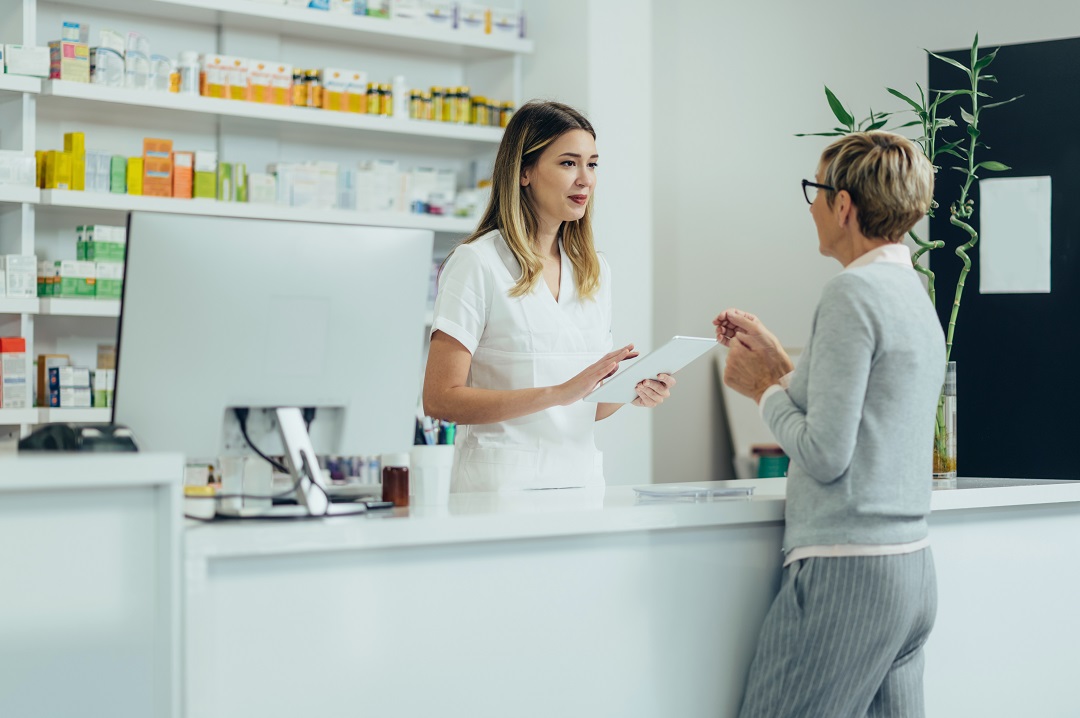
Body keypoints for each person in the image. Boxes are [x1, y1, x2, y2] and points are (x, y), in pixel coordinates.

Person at [717, 131, 945, 717]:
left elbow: (825, 453)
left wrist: (762, 390)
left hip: (849, 574)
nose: (812, 207)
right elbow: (861, 413)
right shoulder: (911, 293)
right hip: (910, 572)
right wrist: (778, 361)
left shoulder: (851, 293)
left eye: (815, 193)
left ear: (843, 205)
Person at [423, 101, 674, 493]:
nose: (585, 180)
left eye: (592, 164)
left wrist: (630, 392)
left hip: (580, 484)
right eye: (568, 163)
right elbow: (440, 399)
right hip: (498, 490)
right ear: (524, 172)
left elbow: (584, 407)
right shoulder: (477, 263)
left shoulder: (593, 270)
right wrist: (558, 394)